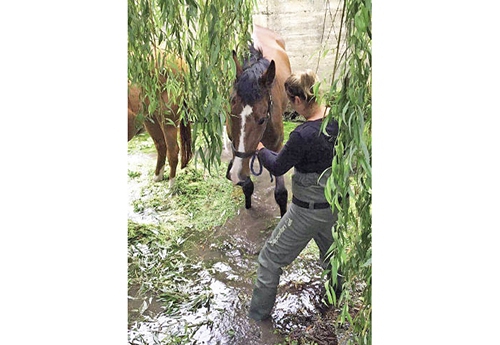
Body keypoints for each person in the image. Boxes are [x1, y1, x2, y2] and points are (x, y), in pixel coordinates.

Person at [248, 69, 341, 321]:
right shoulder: (338, 120)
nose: (290, 104)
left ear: (298, 101)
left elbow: (278, 166)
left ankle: (257, 317)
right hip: (333, 206)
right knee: (332, 256)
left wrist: (259, 148)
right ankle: (335, 302)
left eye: (290, 100)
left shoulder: (302, 135)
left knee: (269, 260)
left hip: (306, 211)